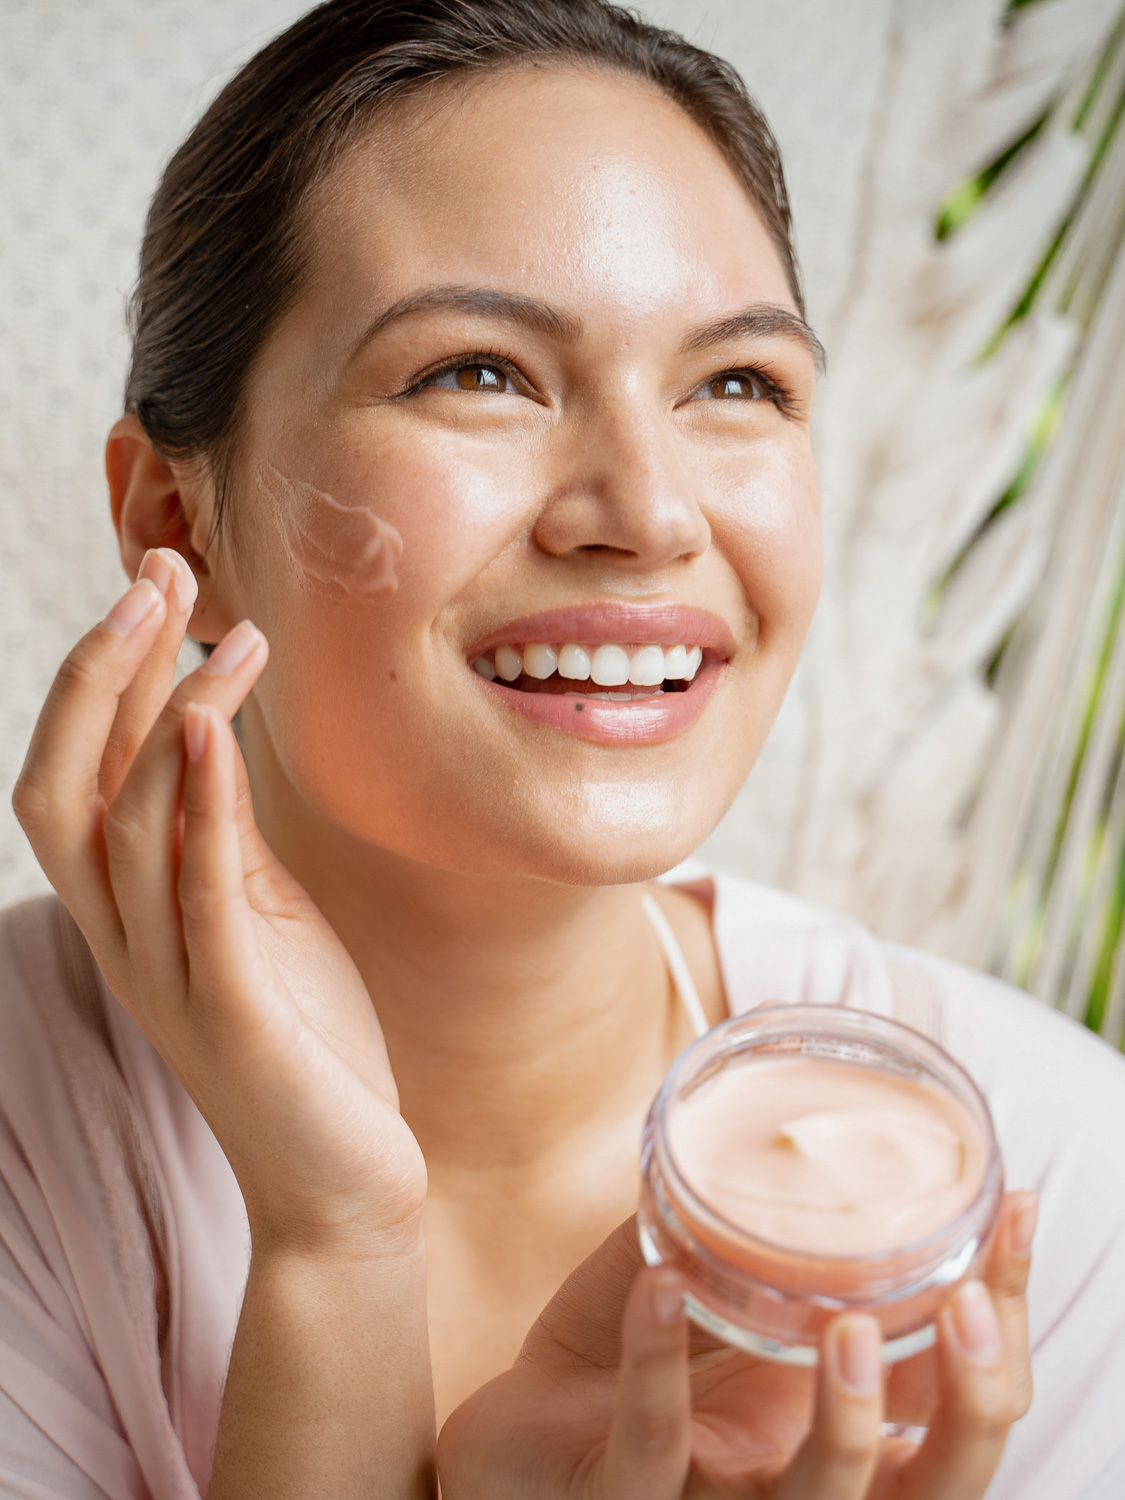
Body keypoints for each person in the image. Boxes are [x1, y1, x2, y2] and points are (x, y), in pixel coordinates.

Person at [3, 1, 1124, 1495]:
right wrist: (338, 1240)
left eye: (737, 384)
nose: (647, 512)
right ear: (175, 522)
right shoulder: (27, 1131)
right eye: (477, 371)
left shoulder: (1050, 1188)